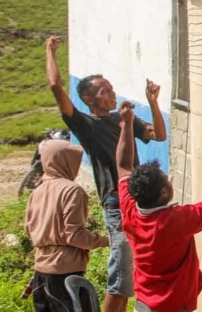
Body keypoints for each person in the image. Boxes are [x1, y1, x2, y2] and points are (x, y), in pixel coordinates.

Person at [45, 35, 167, 312]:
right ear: (88, 98)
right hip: (116, 202)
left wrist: (154, 102)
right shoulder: (85, 124)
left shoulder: (123, 119)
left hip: (140, 201)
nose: (112, 94)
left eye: (112, 89)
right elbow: (55, 85)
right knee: (122, 273)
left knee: (143, 266)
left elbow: (159, 134)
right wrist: (49, 51)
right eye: (104, 91)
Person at [114, 101, 202, 312]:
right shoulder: (175, 220)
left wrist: (128, 124)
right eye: (167, 180)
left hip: (144, 304)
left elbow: (123, 166)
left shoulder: (131, 210)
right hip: (173, 305)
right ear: (164, 193)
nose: (170, 182)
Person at [25, 139, 109, 311]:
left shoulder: (37, 192)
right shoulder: (72, 191)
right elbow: (74, 235)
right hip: (65, 275)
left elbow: (29, 228)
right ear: (66, 161)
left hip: (41, 273)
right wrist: (106, 241)